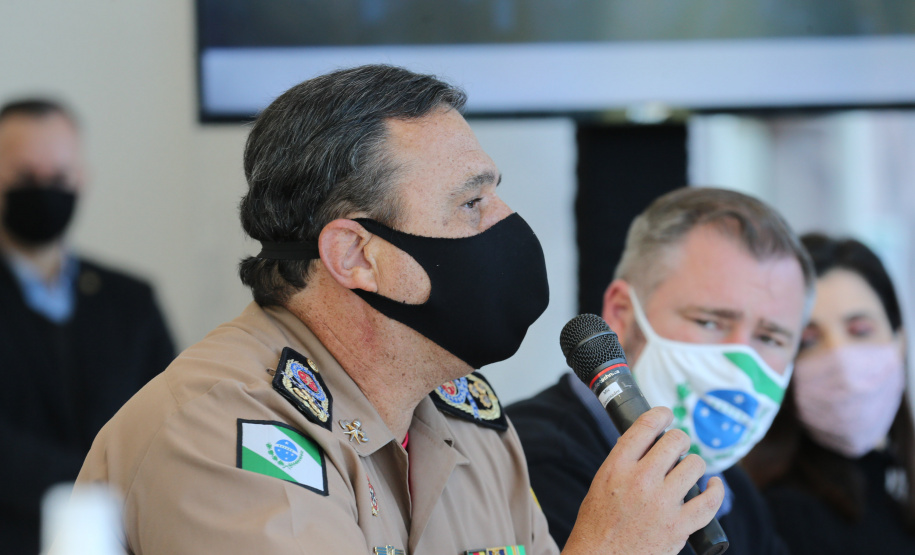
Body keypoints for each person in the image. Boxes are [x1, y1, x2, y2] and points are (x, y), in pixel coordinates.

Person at [73, 65, 723, 555]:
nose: (507, 227)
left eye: (496, 196)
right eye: (471, 205)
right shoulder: (220, 434)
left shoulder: (468, 420)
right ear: (356, 255)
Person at [508, 187, 814, 554]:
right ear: (622, 313)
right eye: (709, 321)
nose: (741, 362)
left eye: (770, 338)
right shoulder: (530, 462)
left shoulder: (729, 489)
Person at [0, 99, 176, 554]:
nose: (44, 190)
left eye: (58, 177)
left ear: (81, 178)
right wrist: (94, 483)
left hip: (125, 539)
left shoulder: (131, 300)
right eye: (25, 178)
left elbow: (172, 417)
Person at [742, 233, 915, 553]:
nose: (839, 357)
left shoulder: (894, 503)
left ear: (899, 341)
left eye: (860, 330)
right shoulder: (785, 515)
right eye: (808, 340)